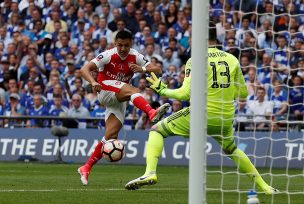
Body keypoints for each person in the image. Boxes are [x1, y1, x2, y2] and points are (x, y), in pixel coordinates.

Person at [125, 23, 278, 195]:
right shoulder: (232, 59)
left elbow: (184, 94)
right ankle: (265, 186)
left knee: (157, 130)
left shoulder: (195, 59)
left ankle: (150, 173)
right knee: (231, 149)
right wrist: (222, 89)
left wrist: (162, 89)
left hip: (202, 114)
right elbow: (243, 93)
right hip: (226, 117)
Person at [78, 30, 170, 185]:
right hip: (105, 90)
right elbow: (84, 69)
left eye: (126, 45)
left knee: (110, 135)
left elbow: (157, 69)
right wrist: (93, 82)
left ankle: (86, 167)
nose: (122, 49)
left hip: (119, 98)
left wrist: (143, 69)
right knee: (133, 90)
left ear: (131, 44)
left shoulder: (135, 56)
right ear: (115, 43)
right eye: (119, 45)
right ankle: (152, 112)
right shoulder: (107, 55)